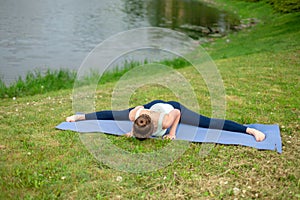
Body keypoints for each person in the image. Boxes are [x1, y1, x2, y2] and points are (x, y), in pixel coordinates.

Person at [66, 100, 265, 142]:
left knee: (207, 122)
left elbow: (177, 112)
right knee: (115, 113)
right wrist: (131, 130)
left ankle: (249, 130)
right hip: (150, 105)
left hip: (171, 107)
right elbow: (115, 114)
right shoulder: (134, 116)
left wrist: (171, 133)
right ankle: (81, 116)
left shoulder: (164, 122)